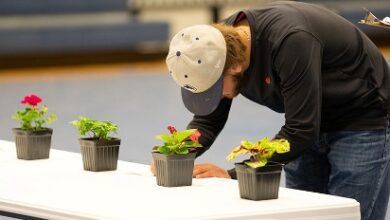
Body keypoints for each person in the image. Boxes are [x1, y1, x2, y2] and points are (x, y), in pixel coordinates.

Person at [152, 1, 390, 220]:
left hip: (362, 120)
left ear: (235, 67)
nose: (212, 97)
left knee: (349, 215)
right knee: (309, 214)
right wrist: (175, 155)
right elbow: (207, 121)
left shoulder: (290, 40)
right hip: (305, 120)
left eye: (212, 90)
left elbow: (301, 130)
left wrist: (235, 174)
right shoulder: (214, 46)